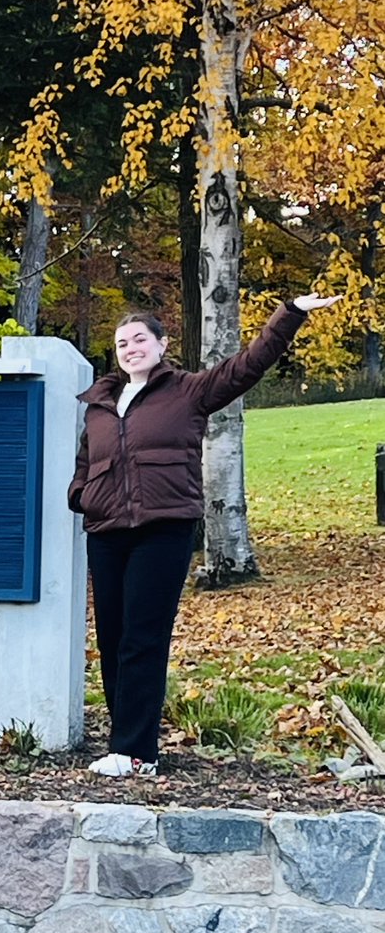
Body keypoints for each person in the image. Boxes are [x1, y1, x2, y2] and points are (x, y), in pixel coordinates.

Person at [68, 292, 342, 777]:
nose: (130, 348)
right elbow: (87, 462)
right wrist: (81, 495)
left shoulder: (188, 390)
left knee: (142, 638)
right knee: (111, 639)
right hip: (107, 532)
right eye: (121, 343)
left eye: (139, 339)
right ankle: (122, 744)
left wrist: (291, 311)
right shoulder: (99, 404)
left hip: (164, 528)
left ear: (161, 344)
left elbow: (248, 366)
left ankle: (137, 753)